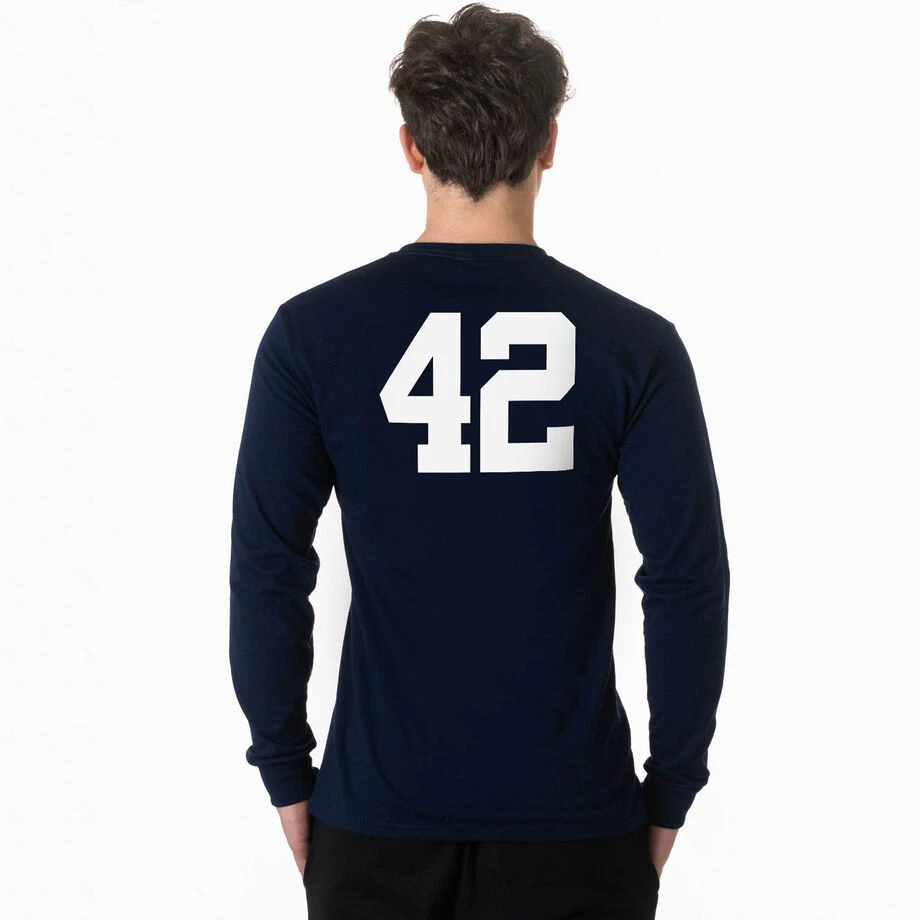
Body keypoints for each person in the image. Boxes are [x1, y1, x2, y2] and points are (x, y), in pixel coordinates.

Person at [228, 4, 730, 918]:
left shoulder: (312, 336)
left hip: (374, 821)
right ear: (550, 144)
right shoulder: (634, 346)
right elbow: (687, 577)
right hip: (577, 823)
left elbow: (268, 565)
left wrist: (285, 770)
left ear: (411, 147)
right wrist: (672, 788)